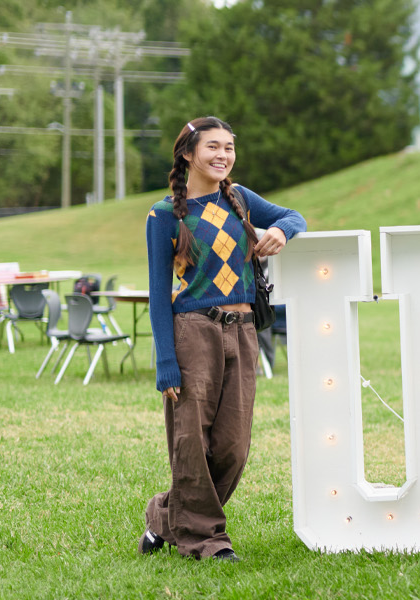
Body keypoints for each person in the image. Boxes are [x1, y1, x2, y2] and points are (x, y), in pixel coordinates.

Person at [139, 116, 306, 560]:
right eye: (213, 147)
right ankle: (205, 540)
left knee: (233, 445)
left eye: (229, 148)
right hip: (193, 331)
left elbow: (295, 216)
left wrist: (279, 231)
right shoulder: (163, 215)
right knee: (192, 439)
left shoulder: (240, 199)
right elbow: (158, 295)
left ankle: (164, 517)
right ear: (188, 154)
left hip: (244, 330)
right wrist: (166, 363)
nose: (223, 155)